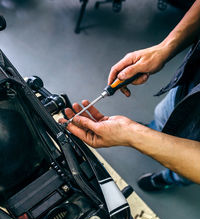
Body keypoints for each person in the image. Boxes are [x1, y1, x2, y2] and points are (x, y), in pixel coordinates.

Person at [59, 0, 200, 191]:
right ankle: (155, 129)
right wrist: (165, 47)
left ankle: (168, 178)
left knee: (182, 172)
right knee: (163, 115)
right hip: (191, 86)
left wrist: (133, 135)